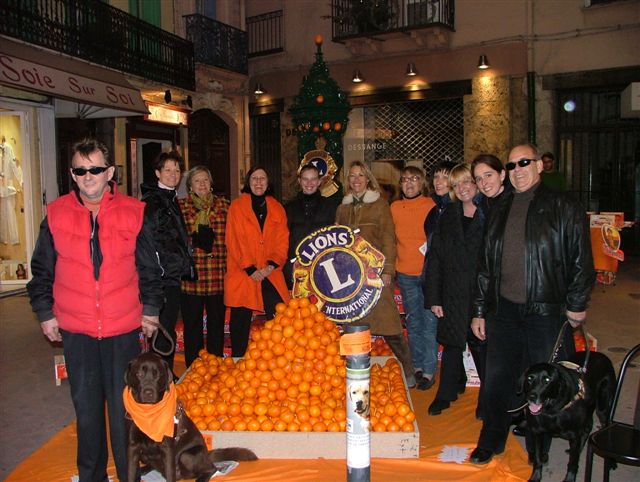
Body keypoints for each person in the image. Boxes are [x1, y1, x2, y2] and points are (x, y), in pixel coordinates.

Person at [27, 138, 162, 482]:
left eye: (95, 169)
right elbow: (41, 270)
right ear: (72, 174)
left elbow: (149, 269)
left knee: (123, 412)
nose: (88, 177)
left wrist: (151, 309)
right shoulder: (55, 213)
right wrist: (45, 313)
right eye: (81, 170)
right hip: (77, 328)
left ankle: (129, 473)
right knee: (86, 413)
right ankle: (92, 477)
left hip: (123, 327)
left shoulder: (134, 211)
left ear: (110, 172)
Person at [468, 144, 594, 465]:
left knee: (551, 381)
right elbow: (486, 264)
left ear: (539, 165)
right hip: (504, 309)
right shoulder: (500, 207)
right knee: (496, 377)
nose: (517, 170)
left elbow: (582, 258)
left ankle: (545, 443)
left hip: (547, 309)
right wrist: (480, 310)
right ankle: (491, 438)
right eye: (511, 166)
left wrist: (577, 302)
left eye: (524, 162)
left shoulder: (563, 205)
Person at [336, 161, 416, 388]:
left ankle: (408, 371)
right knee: (353, 326)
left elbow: (389, 240)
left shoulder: (380, 205)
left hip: (376, 275)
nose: (356, 180)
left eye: (361, 175)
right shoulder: (342, 209)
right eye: (352, 176)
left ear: (368, 179)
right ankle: (354, 372)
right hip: (351, 280)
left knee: (390, 324)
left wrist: (388, 270)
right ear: (348, 181)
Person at [425, 163, 485, 415]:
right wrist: (435, 297)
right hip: (451, 292)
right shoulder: (447, 214)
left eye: (467, 182)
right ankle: (446, 393)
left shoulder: (490, 212)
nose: (463, 188)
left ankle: (488, 400)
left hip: (481, 292)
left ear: (477, 183)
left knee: (483, 349)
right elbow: (435, 257)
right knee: (451, 346)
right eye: (457, 184)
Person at [225, 166, 290, 357]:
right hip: (242, 272)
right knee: (240, 319)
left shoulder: (277, 208)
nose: (258, 182)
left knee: (279, 317)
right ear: (248, 182)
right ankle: (237, 359)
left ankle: (278, 358)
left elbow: (282, 240)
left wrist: (272, 264)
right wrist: (250, 268)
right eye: (254, 178)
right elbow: (234, 240)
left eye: (262, 178)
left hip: (270, 271)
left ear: (268, 183)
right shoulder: (236, 207)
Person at [141, 151, 193, 370]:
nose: (173, 174)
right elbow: (150, 243)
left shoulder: (169, 198)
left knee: (167, 328)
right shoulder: (153, 202)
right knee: (162, 331)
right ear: (157, 173)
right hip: (161, 278)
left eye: (177, 170)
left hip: (170, 275)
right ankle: (160, 379)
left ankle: (165, 375)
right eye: (168, 170)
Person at [469, 153, 512, 420]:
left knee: (506, 355)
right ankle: (492, 402)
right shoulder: (483, 205)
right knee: (484, 347)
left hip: (507, 291)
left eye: (489, 175)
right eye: (479, 178)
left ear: (502, 175)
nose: (484, 182)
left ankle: (509, 409)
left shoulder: (512, 204)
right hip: (486, 288)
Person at [390, 166, 437, 390]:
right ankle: (417, 367)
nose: (409, 183)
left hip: (428, 274)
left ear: (422, 183)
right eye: (405, 179)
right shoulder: (394, 208)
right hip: (406, 274)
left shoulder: (432, 205)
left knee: (429, 323)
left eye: (414, 179)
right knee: (413, 322)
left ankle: (429, 370)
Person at [179, 166, 229, 367]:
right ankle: (194, 367)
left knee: (216, 326)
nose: (202, 185)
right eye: (197, 181)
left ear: (211, 184)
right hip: (192, 279)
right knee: (192, 328)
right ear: (190, 186)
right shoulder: (181, 207)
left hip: (217, 276)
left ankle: (215, 366)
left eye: (205, 180)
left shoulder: (225, 206)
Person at [284, 164, 340, 289]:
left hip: (325, 267)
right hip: (296, 267)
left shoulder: (331, 207)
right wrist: (289, 264)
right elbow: (283, 239)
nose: (309, 183)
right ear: (299, 181)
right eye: (305, 179)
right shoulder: (288, 208)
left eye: (313, 179)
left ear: (319, 181)